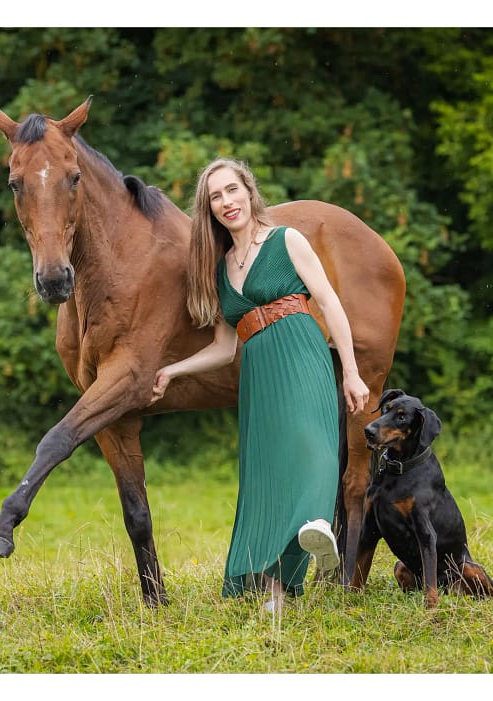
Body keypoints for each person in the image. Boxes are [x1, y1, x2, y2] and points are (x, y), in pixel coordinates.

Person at [150, 158, 370, 614]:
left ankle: (319, 531)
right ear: (209, 210)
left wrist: (350, 370)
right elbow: (223, 347)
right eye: (216, 197)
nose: (227, 201)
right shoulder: (219, 269)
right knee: (268, 476)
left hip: (303, 353)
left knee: (313, 448)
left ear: (249, 192)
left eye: (233, 190)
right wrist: (174, 370)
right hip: (258, 374)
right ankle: (276, 589)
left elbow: (328, 302)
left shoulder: (286, 240)